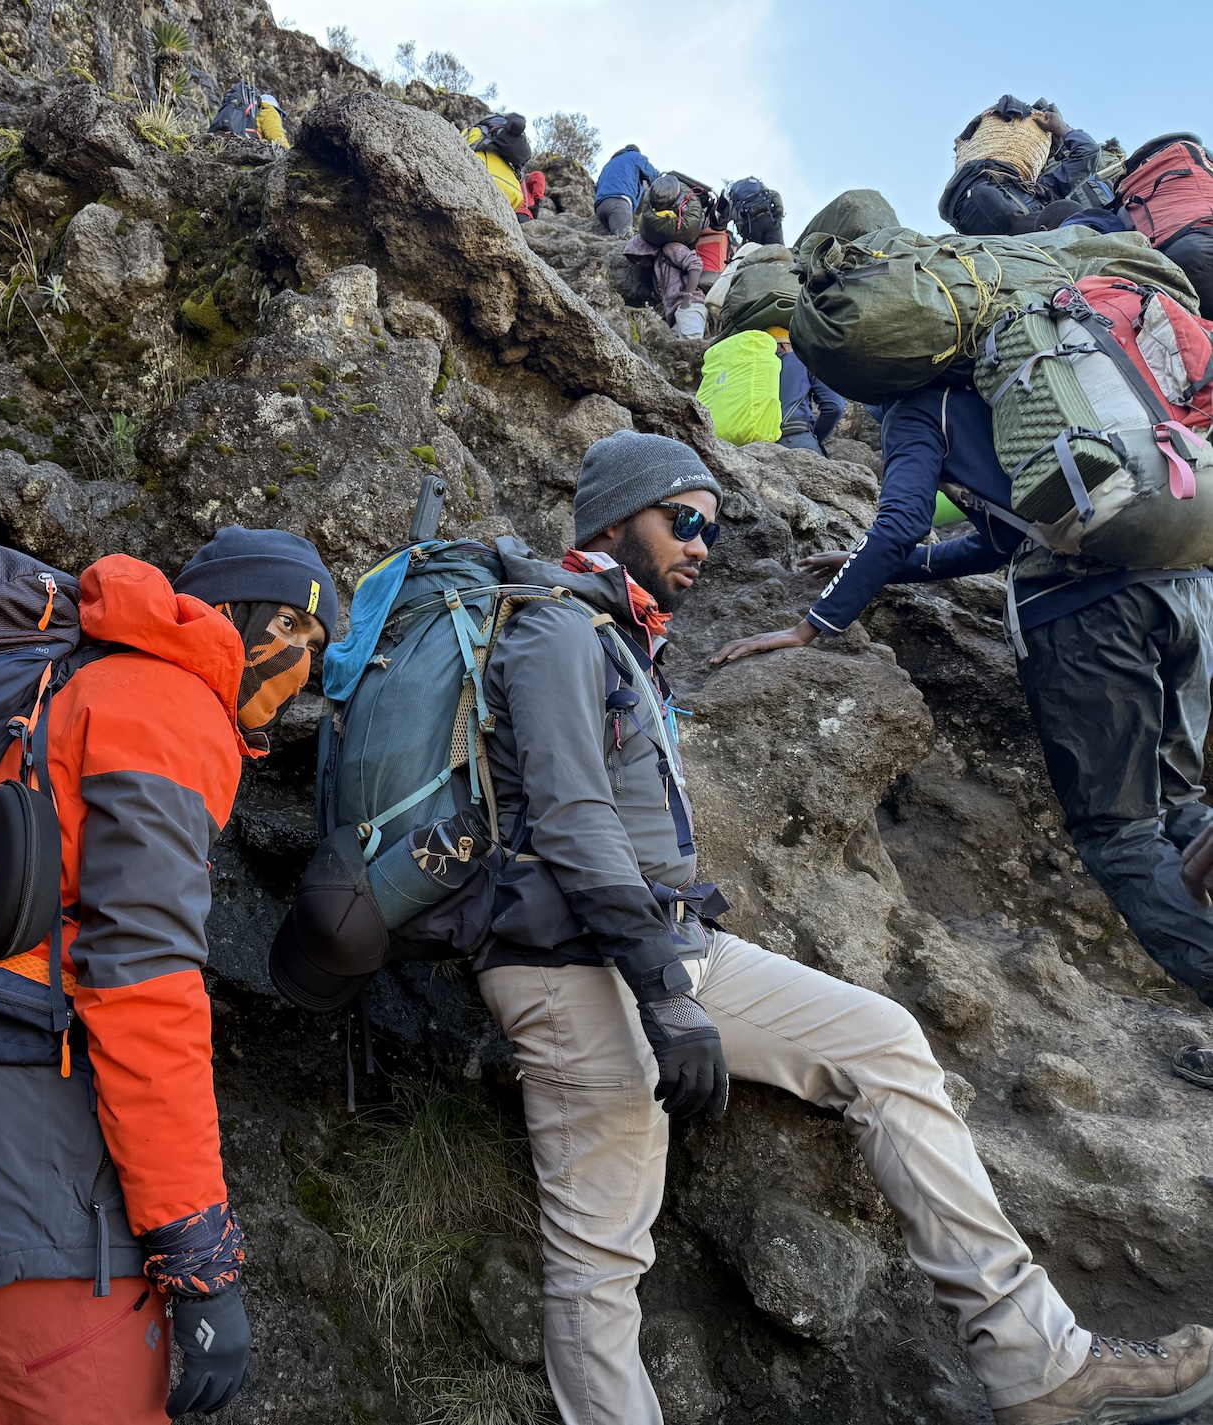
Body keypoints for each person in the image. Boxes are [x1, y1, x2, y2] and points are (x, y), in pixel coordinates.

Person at [477, 429, 1213, 1425]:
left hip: (665, 946)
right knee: (601, 1255)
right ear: (612, 521)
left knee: (884, 1041)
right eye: (683, 520)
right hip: (571, 968)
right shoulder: (555, 632)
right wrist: (662, 992)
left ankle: (1039, 1365)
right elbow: (572, 822)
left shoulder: (621, 635)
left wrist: (666, 972)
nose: (701, 545)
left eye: (711, 527)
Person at [0, 527, 335, 1425]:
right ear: (228, 612)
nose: (300, 665)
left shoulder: (70, 683)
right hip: (26, 1198)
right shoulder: (167, 703)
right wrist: (197, 1249)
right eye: (290, 626)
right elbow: (144, 983)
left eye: (317, 647)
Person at [712, 387, 1213, 1078]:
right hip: (1188, 589)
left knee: (1120, 833)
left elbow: (901, 522)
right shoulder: (1024, 388)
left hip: (1090, 612)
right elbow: (1000, 539)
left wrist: (813, 624)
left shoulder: (920, 405)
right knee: (1180, 806)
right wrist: (878, 566)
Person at [941, 98, 1103, 237]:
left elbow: (1089, 152)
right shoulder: (1046, 190)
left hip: (965, 209)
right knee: (1073, 212)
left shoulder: (1041, 190)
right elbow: (1089, 152)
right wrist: (1060, 128)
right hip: (992, 204)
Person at [768, 326, 843, 453]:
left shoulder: (752, 371)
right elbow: (834, 406)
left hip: (756, 445)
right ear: (785, 346)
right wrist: (815, 436)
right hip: (796, 438)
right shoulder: (803, 360)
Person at [595, 142, 660, 237]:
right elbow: (654, 176)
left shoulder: (609, 164)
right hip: (619, 202)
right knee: (625, 239)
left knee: (614, 237)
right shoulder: (635, 156)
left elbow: (596, 186)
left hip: (600, 207)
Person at [726, 176, 785, 247]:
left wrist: (742, 231)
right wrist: (778, 211)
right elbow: (775, 194)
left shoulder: (735, 199)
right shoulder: (759, 189)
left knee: (758, 253)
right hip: (769, 219)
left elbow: (730, 215)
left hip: (750, 228)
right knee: (778, 250)